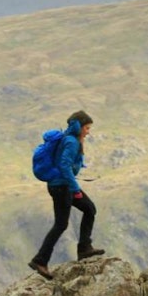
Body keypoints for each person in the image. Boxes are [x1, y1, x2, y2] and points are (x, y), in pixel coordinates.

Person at [28, 110, 105, 277]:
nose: (88, 131)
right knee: (61, 224)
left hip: (62, 185)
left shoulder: (69, 139)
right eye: (86, 127)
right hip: (62, 187)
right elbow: (64, 165)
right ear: (78, 126)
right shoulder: (71, 142)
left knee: (89, 209)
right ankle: (40, 260)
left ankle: (84, 247)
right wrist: (75, 189)